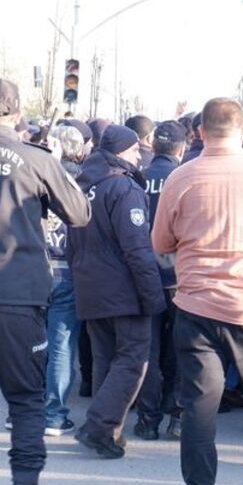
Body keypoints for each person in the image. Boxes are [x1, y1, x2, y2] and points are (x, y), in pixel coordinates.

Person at [151, 98, 243, 485]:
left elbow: (161, 241)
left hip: (197, 307)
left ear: (200, 131)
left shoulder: (181, 178)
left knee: (199, 410)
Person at [0, 79, 91, 485]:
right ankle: (25, 483)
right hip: (19, 295)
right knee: (28, 399)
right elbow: (80, 213)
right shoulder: (36, 158)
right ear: (15, 114)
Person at [67, 125, 166, 459]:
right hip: (123, 289)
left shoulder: (83, 185)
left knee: (105, 360)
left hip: (90, 285)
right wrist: (153, 296)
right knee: (133, 359)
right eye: (136, 150)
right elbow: (137, 248)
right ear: (122, 151)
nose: (140, 155)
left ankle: (109, 430)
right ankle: (100, 427)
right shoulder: (122, 186)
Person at [134, 121, 188, 441]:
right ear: (181, 147)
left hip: (145, 273)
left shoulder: (138, 177)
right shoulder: (185, 178)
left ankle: (148, 419)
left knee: (148, 348)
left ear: (153, 145)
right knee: (183, 346)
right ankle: (178, 417)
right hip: (179, 274)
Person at [42, 125, 88, 438]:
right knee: (61, 345)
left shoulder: (34, 174)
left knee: (31, 344)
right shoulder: (83, 179)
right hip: (68, 268)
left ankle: (23, 409)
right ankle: (53, 414)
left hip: (33, 267)